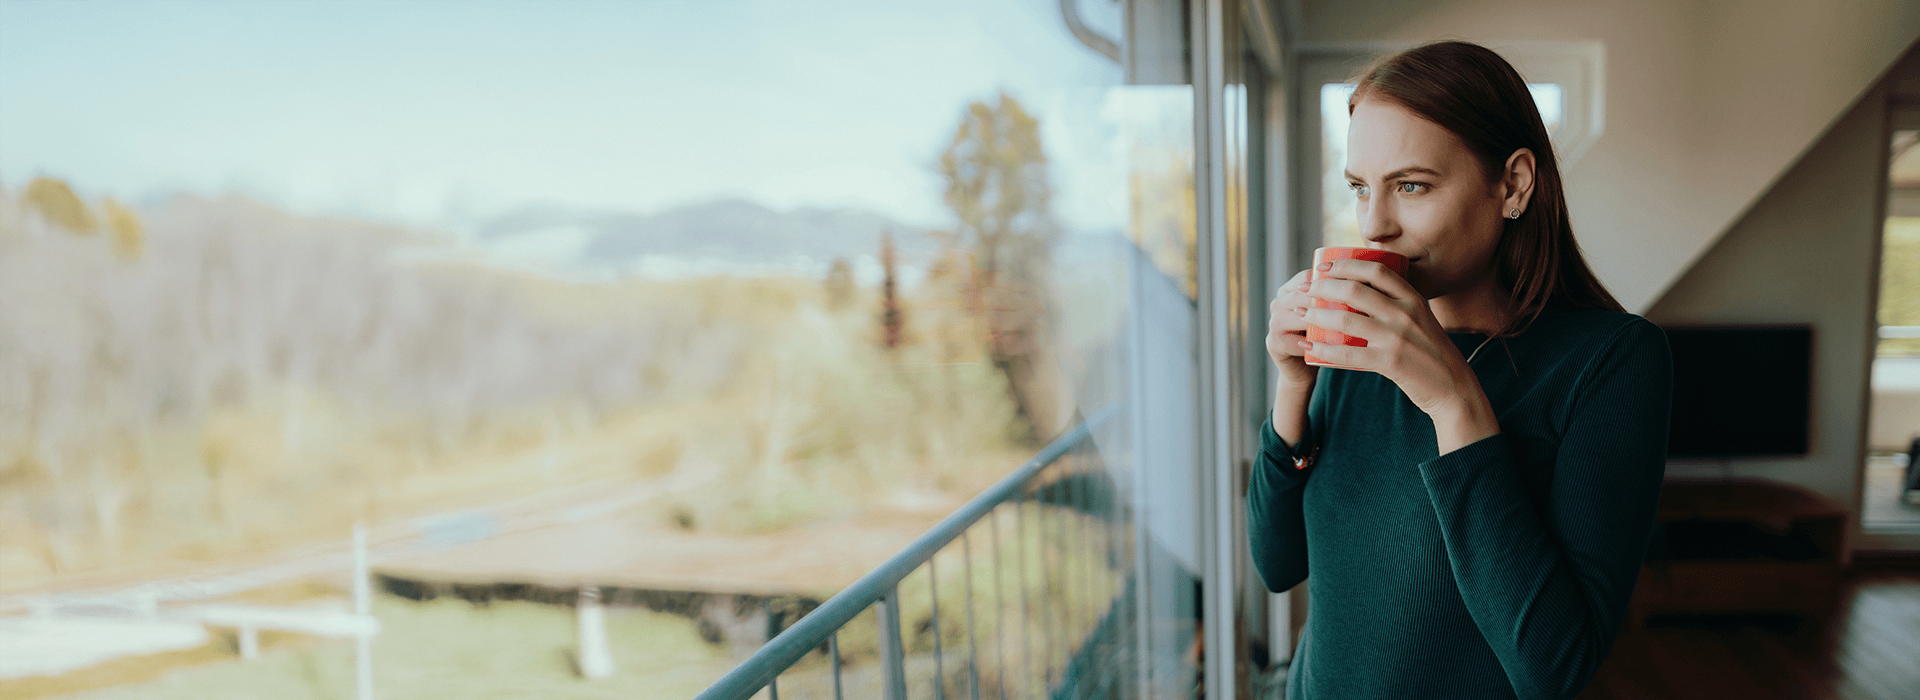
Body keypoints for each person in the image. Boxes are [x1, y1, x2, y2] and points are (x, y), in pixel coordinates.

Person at [1247, 41, 1672, 700]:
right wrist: (1293, 384)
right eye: (1361, 188)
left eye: (1411, 185)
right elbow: (1278, 565)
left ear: (1513, 185)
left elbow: (1552, 669)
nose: (1374, 225)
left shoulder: (1610, 362)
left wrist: (1454, 404)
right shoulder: (1359, 340)